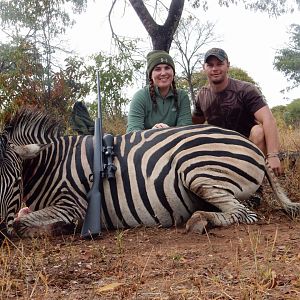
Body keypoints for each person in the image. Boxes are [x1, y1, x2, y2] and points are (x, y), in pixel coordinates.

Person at [192, 48, 282, 176]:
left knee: (258, 131)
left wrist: (273, 155)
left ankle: (256, 183)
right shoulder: (201, 95)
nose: (215, 69)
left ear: (228, 65)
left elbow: (268, 119)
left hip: (247, 148)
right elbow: (194, 124)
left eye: (219, 64)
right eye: (210, 65)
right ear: (204, 67)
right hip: (220, 150)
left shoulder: (246, 90)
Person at [126, 50, 192, 133]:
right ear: (150, 75)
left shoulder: (182, 96)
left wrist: (169, 131)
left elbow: (186, 130)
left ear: (173, 72)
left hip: (177, 144)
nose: (163, 73)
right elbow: (132, 132)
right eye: (157, 69)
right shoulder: (140, 96)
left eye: (167, 68)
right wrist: (153, 133)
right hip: (147, 144)